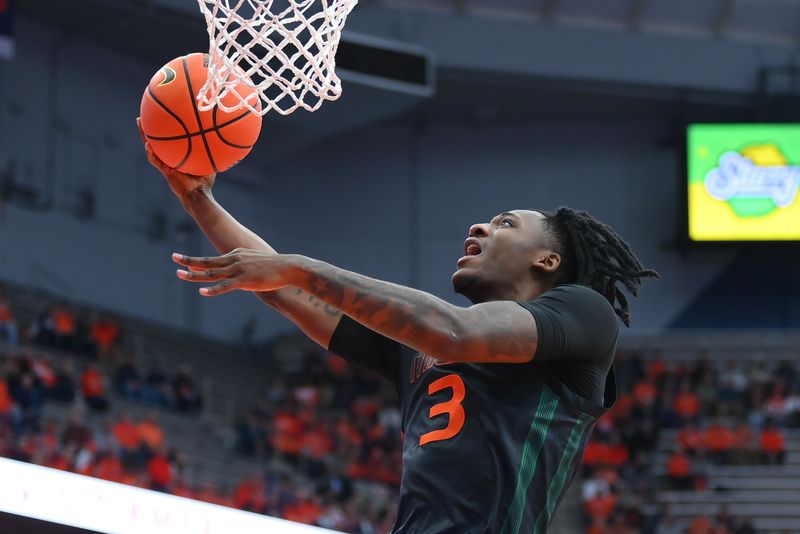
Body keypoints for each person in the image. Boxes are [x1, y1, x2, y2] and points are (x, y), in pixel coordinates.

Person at [138, 118, 658, 532]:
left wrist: (297, 266)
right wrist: (197, 199)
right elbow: (282, 289)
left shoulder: (584, 312)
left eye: (505, 223)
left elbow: (453, 332)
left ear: (546, 261)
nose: (478, 226)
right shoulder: (417, 344)